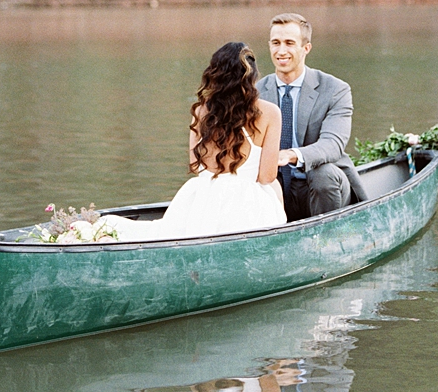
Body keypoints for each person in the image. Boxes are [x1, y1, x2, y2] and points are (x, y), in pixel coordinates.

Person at [92, 41, 287, 241]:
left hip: (203, 197)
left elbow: (196, 166)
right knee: (274, 189)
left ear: (215, 75)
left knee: (161, 233)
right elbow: (267, 176)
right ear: (252, 77)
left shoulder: (201, 111)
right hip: (245, 205)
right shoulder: (270, 112)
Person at [256, 12, 364, 221]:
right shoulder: (254, 93)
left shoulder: (335, 89)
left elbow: (333, 145)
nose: (281, 51)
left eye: (289, 43)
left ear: (306, 48)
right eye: (276, 43)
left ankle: (327, 239)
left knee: (322, 174)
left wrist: (291, 155)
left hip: (322, 189)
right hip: (274, 187)